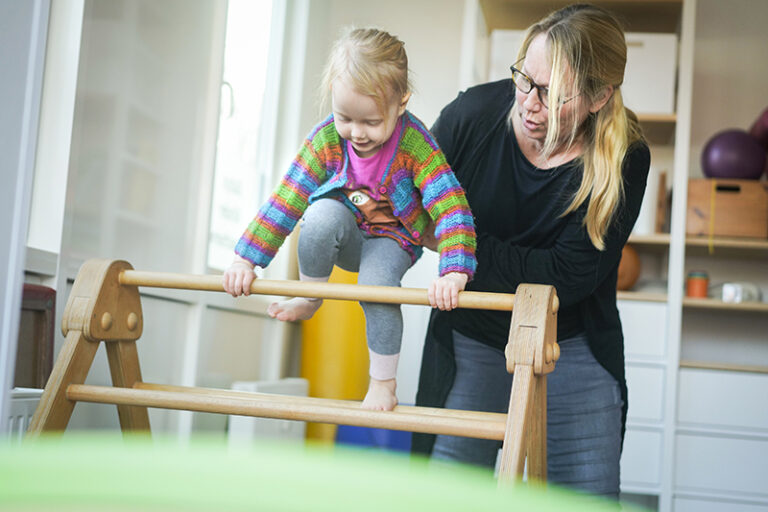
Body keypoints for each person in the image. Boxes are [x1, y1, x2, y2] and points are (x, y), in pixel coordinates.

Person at [412, 4, 650, 499]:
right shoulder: (474, 115)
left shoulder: (624, 156)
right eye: (525, 78)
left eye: (554, 94)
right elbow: (408, 202)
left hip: (572, 343)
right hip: (472, 333)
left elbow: (566, 277)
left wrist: (459, 241)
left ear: (600, 97)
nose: (529, 103)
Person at [223, 28, 477, 411]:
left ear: (401, 103)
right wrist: (246, 258)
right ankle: (311, 295)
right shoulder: (327, 139)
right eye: (345, 118)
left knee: (377, 287)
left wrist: (454, 268)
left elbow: (450, 205)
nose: (357, 133)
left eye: (371, 122)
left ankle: (383, 383)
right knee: (318, 215)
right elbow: (286, 199)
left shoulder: (416, 145)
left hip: (392, 242)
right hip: (344, 234)